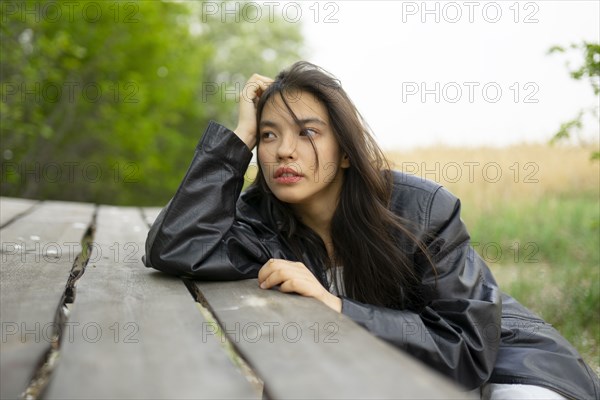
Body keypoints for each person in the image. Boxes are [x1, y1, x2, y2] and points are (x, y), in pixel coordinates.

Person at [143, 61, 599, 399]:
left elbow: (465, 348)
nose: (284, 150)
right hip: (396, 377)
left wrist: (335, 305)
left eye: (307, 133)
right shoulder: (264, 221)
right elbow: (174, 246)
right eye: (268, 135)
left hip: (506, 363)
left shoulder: (422, 209)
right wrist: (239, 136)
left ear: (345, 151)